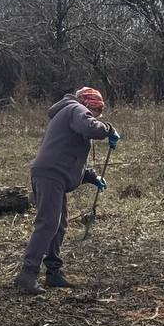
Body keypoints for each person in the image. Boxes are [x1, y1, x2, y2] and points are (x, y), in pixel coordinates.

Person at [15, 87, 120, 296]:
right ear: (87, 103)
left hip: (55, 174)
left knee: (59, 224)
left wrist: (91, 177)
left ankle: (53, 273)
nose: (96, 115)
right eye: (96, 110)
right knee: (48, 222)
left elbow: (69, 155)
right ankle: (27, 273)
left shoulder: (70, 113)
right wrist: (108, 128)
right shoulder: (74, 108)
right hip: (50, 174)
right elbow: (91, 128)